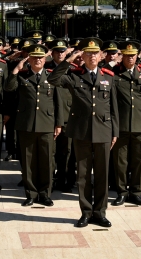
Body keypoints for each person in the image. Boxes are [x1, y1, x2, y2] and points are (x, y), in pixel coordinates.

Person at [47, 37, 118, 228]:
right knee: (83, 175)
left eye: (95, 53)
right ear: (83, 56)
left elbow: (114, 108)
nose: (92, 56)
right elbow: (52, 79)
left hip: (103, 130)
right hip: (81, 132)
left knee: (102, 174)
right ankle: (86, 212)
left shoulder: (109, 76)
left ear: (101, 55)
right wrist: (69, 59)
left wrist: (115, 132)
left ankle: (100, 212)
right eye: (88, 53)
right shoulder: (74, 75)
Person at [5, 44, 59, 207]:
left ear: (45, 59)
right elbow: (9, 88)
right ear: (29, 60)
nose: (37, 60)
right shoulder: (22, 76)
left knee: (47, 161)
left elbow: (58, 101)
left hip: (47, 124)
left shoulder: (51, 76)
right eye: (34, 57)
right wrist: (16, 69)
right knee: (28, 162)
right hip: (26, 124)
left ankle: (45, 194)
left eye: (40, 57)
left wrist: (58, 123)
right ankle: (31, 194)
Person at [109, 42, 141, 206]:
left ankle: (135, 192)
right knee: (120, 161)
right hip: (120, 125)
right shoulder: (114, 72)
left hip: (140, 124)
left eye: (133, 55)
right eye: (127, 55)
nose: (130, 58)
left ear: (137, 56)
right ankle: (121, 192)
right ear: (122, 56)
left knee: (138, 160)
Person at [48, 39, 76, 193]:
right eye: (57, 51)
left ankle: (66, 180)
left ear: (67, 52)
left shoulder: (73, 70)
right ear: (51, 53)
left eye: (62, 51)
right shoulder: (46, 68)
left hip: (67, 116)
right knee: (51, 153)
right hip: (49, 116)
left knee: (67, 152)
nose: (60, 53)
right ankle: (50, 181)